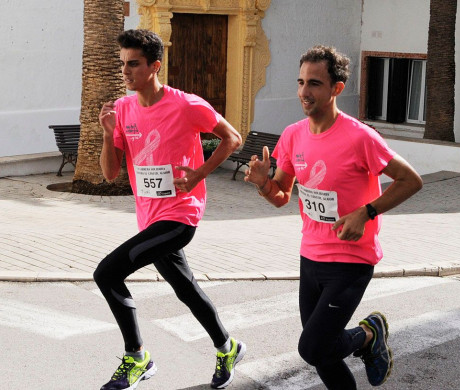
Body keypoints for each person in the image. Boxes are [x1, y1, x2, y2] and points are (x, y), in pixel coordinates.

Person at [245, 45, 423, 389]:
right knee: (324, 354)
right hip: (310, 257)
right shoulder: (293, 135)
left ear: (336, 89)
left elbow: (410, 180)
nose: (303, 92)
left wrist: (366, 211)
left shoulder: (360, 137)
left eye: (314, 83)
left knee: (311, 347)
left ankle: (368, 334)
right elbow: (282, 196)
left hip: (351, 260)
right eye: (300, 82)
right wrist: (263, 183)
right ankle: (366, 341)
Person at [94, 29, 245, 390]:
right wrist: (106, 133)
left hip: (181, 214)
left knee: (107, 274)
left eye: (133, 64)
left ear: (155, 66)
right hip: (150, 217)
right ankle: (228, 346)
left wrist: (200, 175)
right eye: (123, 64)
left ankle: (137, 357)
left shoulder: (185, 104)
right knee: (186, 288)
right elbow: (110, 173)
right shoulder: (123, 109)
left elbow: (233, 138)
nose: (125, 72)